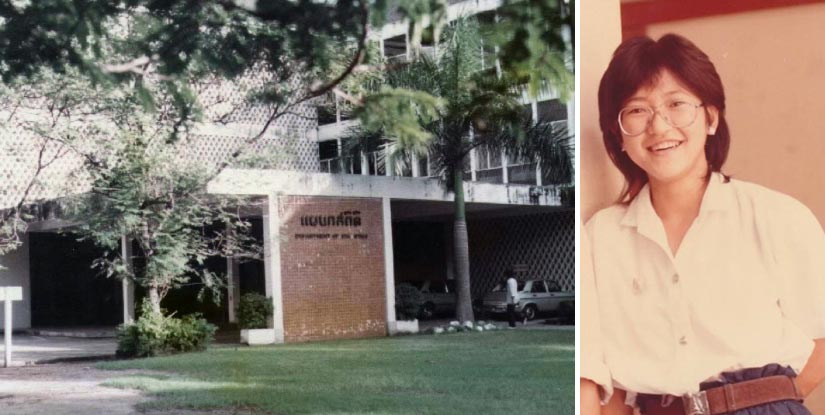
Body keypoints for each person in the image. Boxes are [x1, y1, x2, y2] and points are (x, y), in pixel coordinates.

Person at [585, 33, 825, 415]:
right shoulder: (600, 238)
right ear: (618, 134)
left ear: (711, 118)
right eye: (637, 110)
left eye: (676, 104)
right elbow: (606, 383)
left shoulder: (778, 216)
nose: (659, 126)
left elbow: (821, 341)